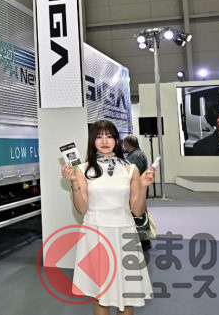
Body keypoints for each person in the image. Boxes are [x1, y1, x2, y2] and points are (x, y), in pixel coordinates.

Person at [61, 120, 155, 315]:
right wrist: (74, 183)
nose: (104, 141)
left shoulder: (130, 169)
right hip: (96, 234)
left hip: (124, 235)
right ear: (92, 141)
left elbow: (138, 211)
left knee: (127, 298)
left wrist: (144, 186)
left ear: (116, 140)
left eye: (109, 136)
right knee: (101, 297)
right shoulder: (83, 169)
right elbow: (81, 208)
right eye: (99, 136)